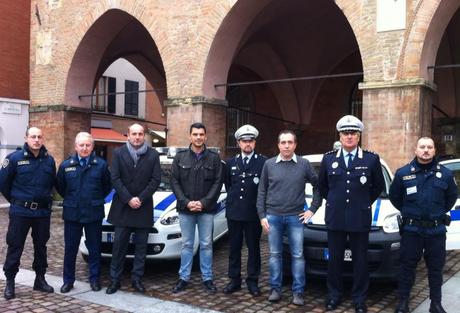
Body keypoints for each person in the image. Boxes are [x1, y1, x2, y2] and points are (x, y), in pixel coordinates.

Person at [318, 115, 385, 313]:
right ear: (340, 135)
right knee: (335, 260)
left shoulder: (371, 159)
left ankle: (359, 299)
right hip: (335, 218)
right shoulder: (329, 158)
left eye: (353, 133)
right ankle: (334, 295)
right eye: (345, 133)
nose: (349, 137)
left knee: (360, 261)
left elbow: (377, 187)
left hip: (359, 218)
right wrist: (334, 202)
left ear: (358, 136)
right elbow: (322, 186)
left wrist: (363, 204)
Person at [389, 137, 457, 313]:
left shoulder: (446, 174)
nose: (426, 150)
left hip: (436, 230)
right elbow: (395, 197)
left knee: (436, 269)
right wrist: (411, 212)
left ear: (434, 150)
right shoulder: (403, 173)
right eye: (422, 147)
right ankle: (403, 303)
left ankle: (436, 303)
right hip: (412, 230)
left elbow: (450, 199)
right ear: (415, 149)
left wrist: (436, 212)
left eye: (429, 147)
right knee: (407, 268)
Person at [256, 129, 322, 306]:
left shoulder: (304, 164)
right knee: (275, 255)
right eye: (283, 142)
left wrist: (312, 209)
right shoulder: (269, 165)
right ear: (278, 145)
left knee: (298, 255)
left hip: (295, 217)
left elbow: (318, 187)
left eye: (290, 142)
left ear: (295, 145)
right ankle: (275, 289)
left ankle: (298, 292)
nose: (286, 145)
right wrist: (262, 216)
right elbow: (262, 191)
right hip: (273, 217)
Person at [0, 127, 56, 300]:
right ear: (26, 138)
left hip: (42, 212)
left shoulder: (49, 160)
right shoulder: (14, 159)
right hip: (20, 212)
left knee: (41, 246)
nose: (37, 140)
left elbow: (51, 184)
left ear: (43, 139)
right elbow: (3, 184)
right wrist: (17, 201)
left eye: (39, 137)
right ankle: (10, 282)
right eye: (33, 137)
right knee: (15, 245)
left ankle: (40, 279)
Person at [105, 123, 161, 294]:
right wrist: (129, 198)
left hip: (143, 208)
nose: (137, 137)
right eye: (134, 134)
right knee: (119, 247)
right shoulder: (118, 153)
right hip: (123, 207)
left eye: (140, 134)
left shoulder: (153, 154)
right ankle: (115, 280)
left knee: (141, 248)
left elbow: (155, 179)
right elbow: (115, 178)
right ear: (127, 135)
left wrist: (140, 198)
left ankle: (137, 280)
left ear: (144, 136)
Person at [55, 132, 112, 293]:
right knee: (70, 249)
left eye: (88, 145)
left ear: (92, 146)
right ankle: (68, 281)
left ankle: (94, 280)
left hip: (94, 212)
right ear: (76, 146)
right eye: (81, 145)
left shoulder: (100, 165)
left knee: (95, 248)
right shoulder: (66, 165)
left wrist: (94, 199)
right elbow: (60, 187)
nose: (85, 148)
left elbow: (107, 186)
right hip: (73, 213)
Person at [170, 122, 223, 294]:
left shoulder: (214, 158)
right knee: (186, 244)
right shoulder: (180, 157)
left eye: (201, 134)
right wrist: (186, 202)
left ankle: (207, 278)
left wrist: (204, 203)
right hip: (186, 210)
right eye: (195, 134)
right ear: (190, 136)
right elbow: (174, 181)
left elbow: (217, 182)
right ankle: (183, 278)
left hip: (206, 210)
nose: (198, 137)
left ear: (205, 136)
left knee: (207, 244)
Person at [223, 124, 266, 297]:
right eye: (244, 141)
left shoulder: (263, 162)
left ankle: (253, 281)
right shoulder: (230, 163)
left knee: (254, 248)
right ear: (239, 143)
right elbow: (228, 185)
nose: (247, 144)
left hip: (253, 214)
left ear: (254, 143)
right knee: (234, 248)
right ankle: (234, 280)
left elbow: (264, 188)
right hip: (234, 213)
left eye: (251, 141)